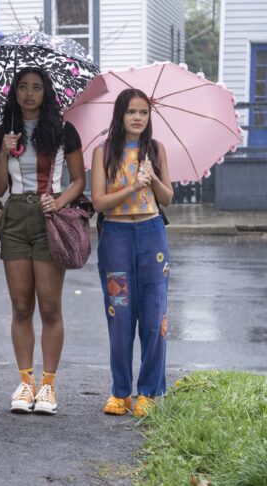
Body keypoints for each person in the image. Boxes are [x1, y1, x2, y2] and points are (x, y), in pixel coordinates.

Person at [0, 67, 86, 415]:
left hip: (50, 218)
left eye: (36, 87)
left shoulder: (63, 130)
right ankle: (25, 382)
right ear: (14, 92)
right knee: (20, 307)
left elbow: (78, 180)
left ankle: (48, 385)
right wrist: (2, 150)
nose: (29, 93)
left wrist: (59, 201)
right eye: (23, 87)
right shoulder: (3, 133)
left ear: (46, 93)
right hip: (15, 217)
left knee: (49, 307)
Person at [90, 88, 173, 417]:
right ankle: (120, 392)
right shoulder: (104, 151)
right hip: (117, 236)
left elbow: (167, 199)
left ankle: (149, 390)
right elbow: (99, 202)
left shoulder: (156, 150)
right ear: (120, 115)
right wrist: (132, 187)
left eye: (144, 112)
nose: (138, 118)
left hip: (153, 236)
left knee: (154, 316)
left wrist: (151, 178)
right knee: (119, 315)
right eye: (132, 112)